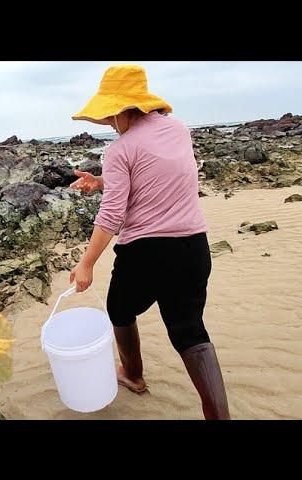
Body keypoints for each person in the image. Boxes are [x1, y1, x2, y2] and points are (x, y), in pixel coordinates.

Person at [68, 65, 231, 420]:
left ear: (123, 107)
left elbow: (111, 216)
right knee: (190, 331)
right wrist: (101, 181)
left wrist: (86, 263)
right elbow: (155, 175)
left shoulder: (119, 151)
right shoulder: (178, 130)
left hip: (146, 254)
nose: (110, 123)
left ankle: (134, 375)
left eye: (111, 115)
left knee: (120, 310)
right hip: (194, 248)